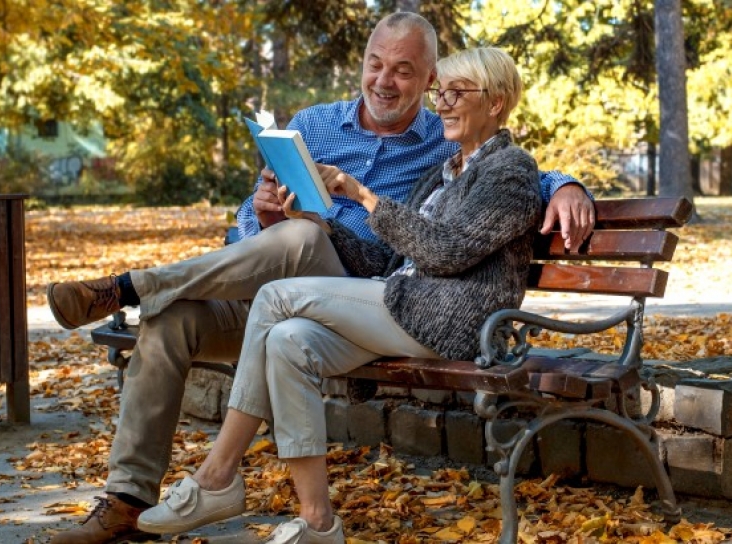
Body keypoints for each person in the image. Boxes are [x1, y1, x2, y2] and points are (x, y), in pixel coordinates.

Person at [47, 13, 593, 544]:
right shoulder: (313, 125)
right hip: (276, 284)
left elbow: (510, 172)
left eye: (404, 70)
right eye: (375, 64)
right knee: (173, 320)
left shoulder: (442, 140)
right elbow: (247, 225)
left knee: (308, 240)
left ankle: (131, 294)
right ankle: (131, 499)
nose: (385, 80)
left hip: (352, 291)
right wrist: (259, 216)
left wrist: (568, 185)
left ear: (428, 79)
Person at [136, 45, 542, 544]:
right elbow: (390, 263)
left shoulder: (510, 170)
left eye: (457, 93)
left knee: (274, 299)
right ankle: (319, 523)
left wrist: (362, 194)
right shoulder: (444, 172)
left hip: (452, 321)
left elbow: (447, 253)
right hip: (404, 305)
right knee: (288, 340)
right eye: (441, 93)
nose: (443, 104)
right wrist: (320, 226)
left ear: (497, 102)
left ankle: (217, 476)